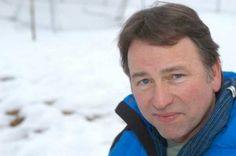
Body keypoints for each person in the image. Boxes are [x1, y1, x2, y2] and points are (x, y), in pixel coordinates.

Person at [109, 2, 236, 156]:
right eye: (145, 81)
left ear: (214, 73)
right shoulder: (125, 145)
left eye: (177, 76)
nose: (160, 102)